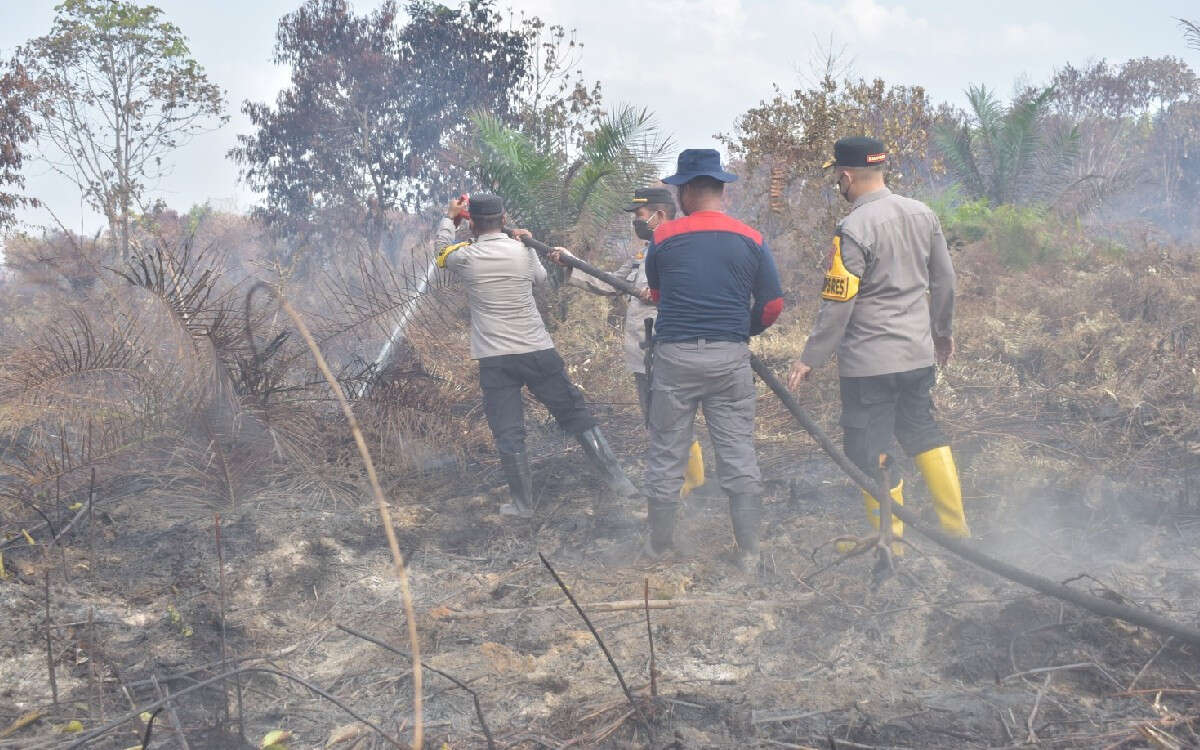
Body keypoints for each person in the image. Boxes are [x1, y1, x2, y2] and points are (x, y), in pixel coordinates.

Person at [787, 136, 970, 550]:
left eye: (838, 177)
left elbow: (838, 302)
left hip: (869, 363)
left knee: (870, 445)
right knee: (922, 429)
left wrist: (810, 357)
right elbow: (945, 281)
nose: (839, 184)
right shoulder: (923, 214)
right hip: (917, 355)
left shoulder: (854, 228)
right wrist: (942, 332)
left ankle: (890, 541)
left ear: (846, 176)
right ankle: (958, 532)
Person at [435, 193, 638, 521]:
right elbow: (541, 280)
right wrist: (527, 243)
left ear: (472, 222)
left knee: (508, 429)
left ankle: (522, 505)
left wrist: (450, 218)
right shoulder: (524, 250)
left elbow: (440, 252)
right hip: (536, 349)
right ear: (504, 219)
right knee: (574, 413)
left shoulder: (465, 256)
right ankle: (621, 483)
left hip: (495, 357)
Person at [642, 149, 785, 569]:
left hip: (676, 357)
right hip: (729, 359)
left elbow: (656, 295)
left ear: (685, 190)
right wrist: (742, 330)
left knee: (668, 451)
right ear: (722, 189)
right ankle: (749, 553)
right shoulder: (752, 239)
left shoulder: (663, 238)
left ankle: (658, 547)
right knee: (738, 452)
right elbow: (773, 305)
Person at [548, 187, 706, 497]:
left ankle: (690, 481)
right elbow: (610, 283)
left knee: (671, 414)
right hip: (641, 351)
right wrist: (572, 263)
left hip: (669, 347)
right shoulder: (645, 252)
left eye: (640, 216)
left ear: (658, 214)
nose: (636, 222)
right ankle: (677, 476)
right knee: (654, 416)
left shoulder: (681, 246)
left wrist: (664, 294)